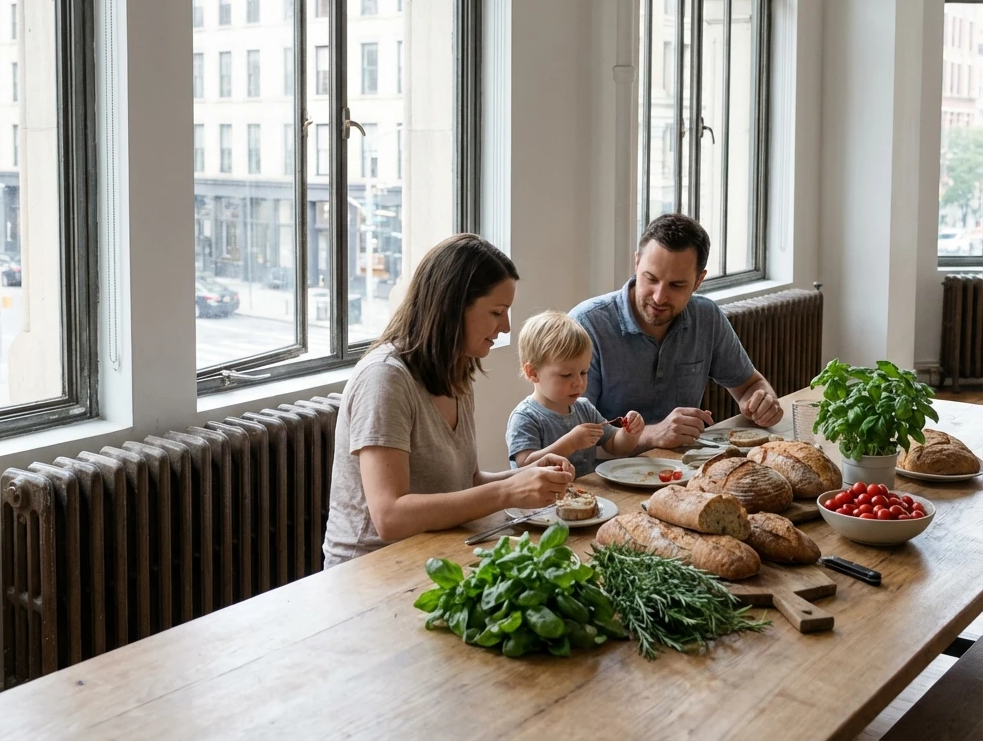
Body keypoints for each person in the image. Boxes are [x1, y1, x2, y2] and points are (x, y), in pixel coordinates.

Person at [323, 234, 575, 567]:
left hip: (438, 552)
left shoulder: (457, 370)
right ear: (452, 308)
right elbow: (390, 517)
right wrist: (508, 492)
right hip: (372, 569)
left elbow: (466, 484)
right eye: (497, 312)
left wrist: (525, 475)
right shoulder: (385, 379)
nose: (506, 326)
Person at [569, 213, 782, 450]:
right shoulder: (586, 324)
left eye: (676, 285)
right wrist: (653, 435)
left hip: (681, 470)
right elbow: (571, 430)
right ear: (637, 263)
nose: (659, 297)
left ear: (699, 281)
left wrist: (762, 402)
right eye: (651, 278)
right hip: (601, 478)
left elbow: (750, 384)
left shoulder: (706, 316)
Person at [506, 310, 644, 477]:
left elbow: (615, 446)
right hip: (542, 501)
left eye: (584, 372)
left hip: (587, 497)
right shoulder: (526, 417)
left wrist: (630, 433)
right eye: (566, 375)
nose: (579, 382)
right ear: (533, 373)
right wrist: (570, 443)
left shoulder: (584, 408)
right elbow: (525, 464)